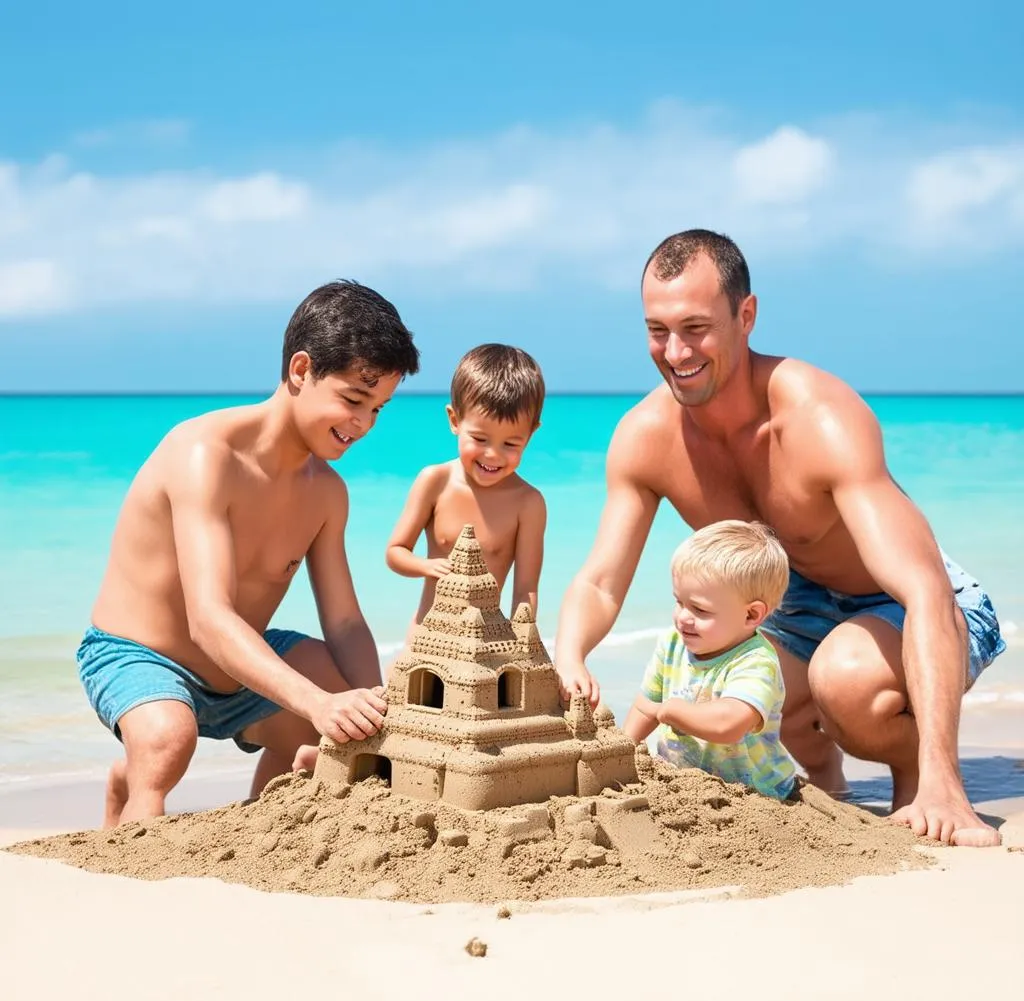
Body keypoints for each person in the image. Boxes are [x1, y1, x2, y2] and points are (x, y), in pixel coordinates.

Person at [555, 229, 1006, 846]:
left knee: (844, 684)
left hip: (917, 605)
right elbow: (601, 580)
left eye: (695, 327)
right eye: (658, 330)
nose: (676, 351)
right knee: (733, 700)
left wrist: (946, 781)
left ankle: (921, 773)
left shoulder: (819, 415)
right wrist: (570, 656)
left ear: (746, 316)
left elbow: (924, 588)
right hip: (793, 610)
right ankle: (832, 789)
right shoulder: (646, 437)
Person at [77, 280, 420, 827]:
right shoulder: (203, 455)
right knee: (168, 742)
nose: (362, 424)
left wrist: (377, 708)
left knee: (352, 713)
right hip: (139, 654)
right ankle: (134, 807)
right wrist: (315, 703)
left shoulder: (327, 492)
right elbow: (208, 619)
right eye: (354, 400)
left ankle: (264, 824)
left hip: (241, 660)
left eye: (377, 410)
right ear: (301, 370)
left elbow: (345, 619)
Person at [624, 520, 797, 801]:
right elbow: (646, 707)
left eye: (699, 609)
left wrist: (672, 712)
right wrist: (623, 750)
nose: (682, 617)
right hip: (683, 783)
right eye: (679, 602)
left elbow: (728, 724)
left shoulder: (755, 661)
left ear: (751, 616)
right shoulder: (672, 643)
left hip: (754, 792)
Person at [385, 343, 547, 622]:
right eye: (480, 439)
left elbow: (525, 590)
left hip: (485, 646)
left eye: (510, 443)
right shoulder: (435, 481)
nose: (492, 454)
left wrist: (523, 643)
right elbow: (395, 551)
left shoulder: (528, 503)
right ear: (454, 420)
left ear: (531, 434)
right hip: (427, 635)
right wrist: (426, 566)